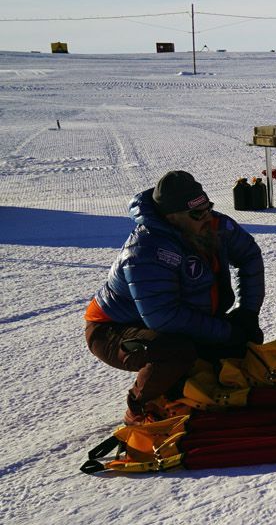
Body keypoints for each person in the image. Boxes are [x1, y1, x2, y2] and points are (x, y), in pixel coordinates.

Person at [85, 170, 266, 424]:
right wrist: (226, 331)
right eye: (197, 214)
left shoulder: (212, 225)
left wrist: (248, 312)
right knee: (176, 351)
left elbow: (249, 255)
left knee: (241, 341)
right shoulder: (146, 251)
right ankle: (140, 408)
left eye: (208, 208)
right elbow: (165, 319)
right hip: (114, 330)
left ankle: (184, 388)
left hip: (176, 320)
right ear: (172, 217)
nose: (207, 217)